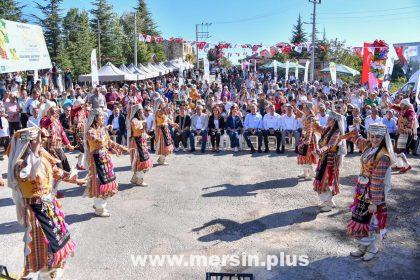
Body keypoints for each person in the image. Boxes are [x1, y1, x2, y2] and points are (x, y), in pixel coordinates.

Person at [7, 127, 85, 279]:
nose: (42, 142)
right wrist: (35, 152)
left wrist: (76, 180)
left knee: (58, 243)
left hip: (50, 208)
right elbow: (29, 174)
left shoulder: (42, 157)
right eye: (37, 140)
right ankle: (46, 275)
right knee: (46, 249)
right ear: (27, 143)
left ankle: (49, 275)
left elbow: (57, 171)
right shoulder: (20, 165)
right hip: (35, 212)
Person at [344, 123, 395, 261]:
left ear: (383, 137)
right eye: (372, 136)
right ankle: (363, 246)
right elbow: (358, 141)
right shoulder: (369, 146)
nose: (374, 139)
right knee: (359, 218)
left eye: (378, 137)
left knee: (370, 220)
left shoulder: (383, 156)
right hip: (362, 189)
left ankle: (372, 247)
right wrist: (352, 133)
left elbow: (378, 181)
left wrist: (374, 202)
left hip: (373, 193)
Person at [84, 109, 128, 217]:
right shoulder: (90, 131)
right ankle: (99, 208)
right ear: (95, 118)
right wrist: (105, 132)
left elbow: (109, 142)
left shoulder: (102, 129)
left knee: (107, 182)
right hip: (96, 160)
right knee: (100, 182)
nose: (103, 118)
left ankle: (100, 205)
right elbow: (99, 141)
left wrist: (121, 147)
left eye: (104, 117)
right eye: (101, 117)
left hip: (105, 159)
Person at [312, 111, 345, 212]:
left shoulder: (337, 132)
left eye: (330, 119)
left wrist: (320, 150)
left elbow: (330, 144)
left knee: (325, 181)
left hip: (330, 160)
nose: (327, 120)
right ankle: (327, 201)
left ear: (334, 121)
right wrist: (313, 121)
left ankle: (329, 203)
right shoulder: (328, 129)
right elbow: (318, 129)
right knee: (321, 179)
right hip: (324, 158)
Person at [127, 104, 153, 186]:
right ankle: (140, 180)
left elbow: (142, 131)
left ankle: (135, 178)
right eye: (141, 111)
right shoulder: (134, 120)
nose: (142, 112)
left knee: (141, 160)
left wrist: (147, 135)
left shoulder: (140, 120)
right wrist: (143, 123)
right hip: (136, 143)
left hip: (141, 142)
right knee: (140, 161)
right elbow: (137, 130)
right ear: (137, 112)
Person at [295, 102, 317, 179]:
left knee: (306, 156)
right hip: (304, 138)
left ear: (309, 109)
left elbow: (310, 129)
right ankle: (305, 173)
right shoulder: (308, 116)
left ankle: (312, 173)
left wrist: (308, 140)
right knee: (301, 155)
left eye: (305, 107)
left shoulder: (311, 118)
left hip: (308, 139)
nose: (304, 109)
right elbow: (301, 114)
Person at [154, 101, 178, 165]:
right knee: (163, 145)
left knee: (166, 144)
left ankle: (161, 159)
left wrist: (174, 124)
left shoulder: (164, 114)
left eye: (164, 104)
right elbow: (162, 116)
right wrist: (168, 108)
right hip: (161, 130)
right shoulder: (159, 111)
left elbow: (168, 121)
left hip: (165, 130)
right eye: (162, 104)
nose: (164, 105)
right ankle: (162, 160)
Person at [71, 98, 89, 170]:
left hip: (84, 130)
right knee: (82, 149)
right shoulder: (74, 111)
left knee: (84, 149)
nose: (82, 106)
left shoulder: (83, 111)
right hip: (78, 132)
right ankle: (79, 164)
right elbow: (74, 111)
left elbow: (88, 115)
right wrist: (82, 105)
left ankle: (80, 164)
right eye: (81, 104)